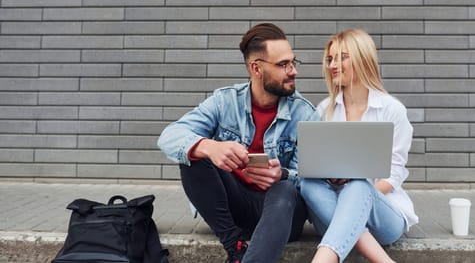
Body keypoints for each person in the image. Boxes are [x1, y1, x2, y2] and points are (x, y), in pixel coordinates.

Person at [158, 23, 318, 263]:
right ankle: (235, 248)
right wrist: (210, 147)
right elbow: (170, 136)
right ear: (257, 68)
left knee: (285, 189)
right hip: (233, 212)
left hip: (282, 215)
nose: (293, 71)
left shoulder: (305, 114)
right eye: (284, 65)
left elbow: (313, 176)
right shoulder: (225, 102)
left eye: (293, 62)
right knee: (194, 154)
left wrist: (282, 174)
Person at [300, 29, 418, 263]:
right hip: (336, 214)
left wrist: (355, 191)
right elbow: (317, 166)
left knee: (358, 184)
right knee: (307, 182)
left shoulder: (391, 110)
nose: (333, 64)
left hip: (383, 216)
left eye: (342, 56)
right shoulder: (324, 110)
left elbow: (393, 175)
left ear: (363, 58)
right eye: (330, 59)